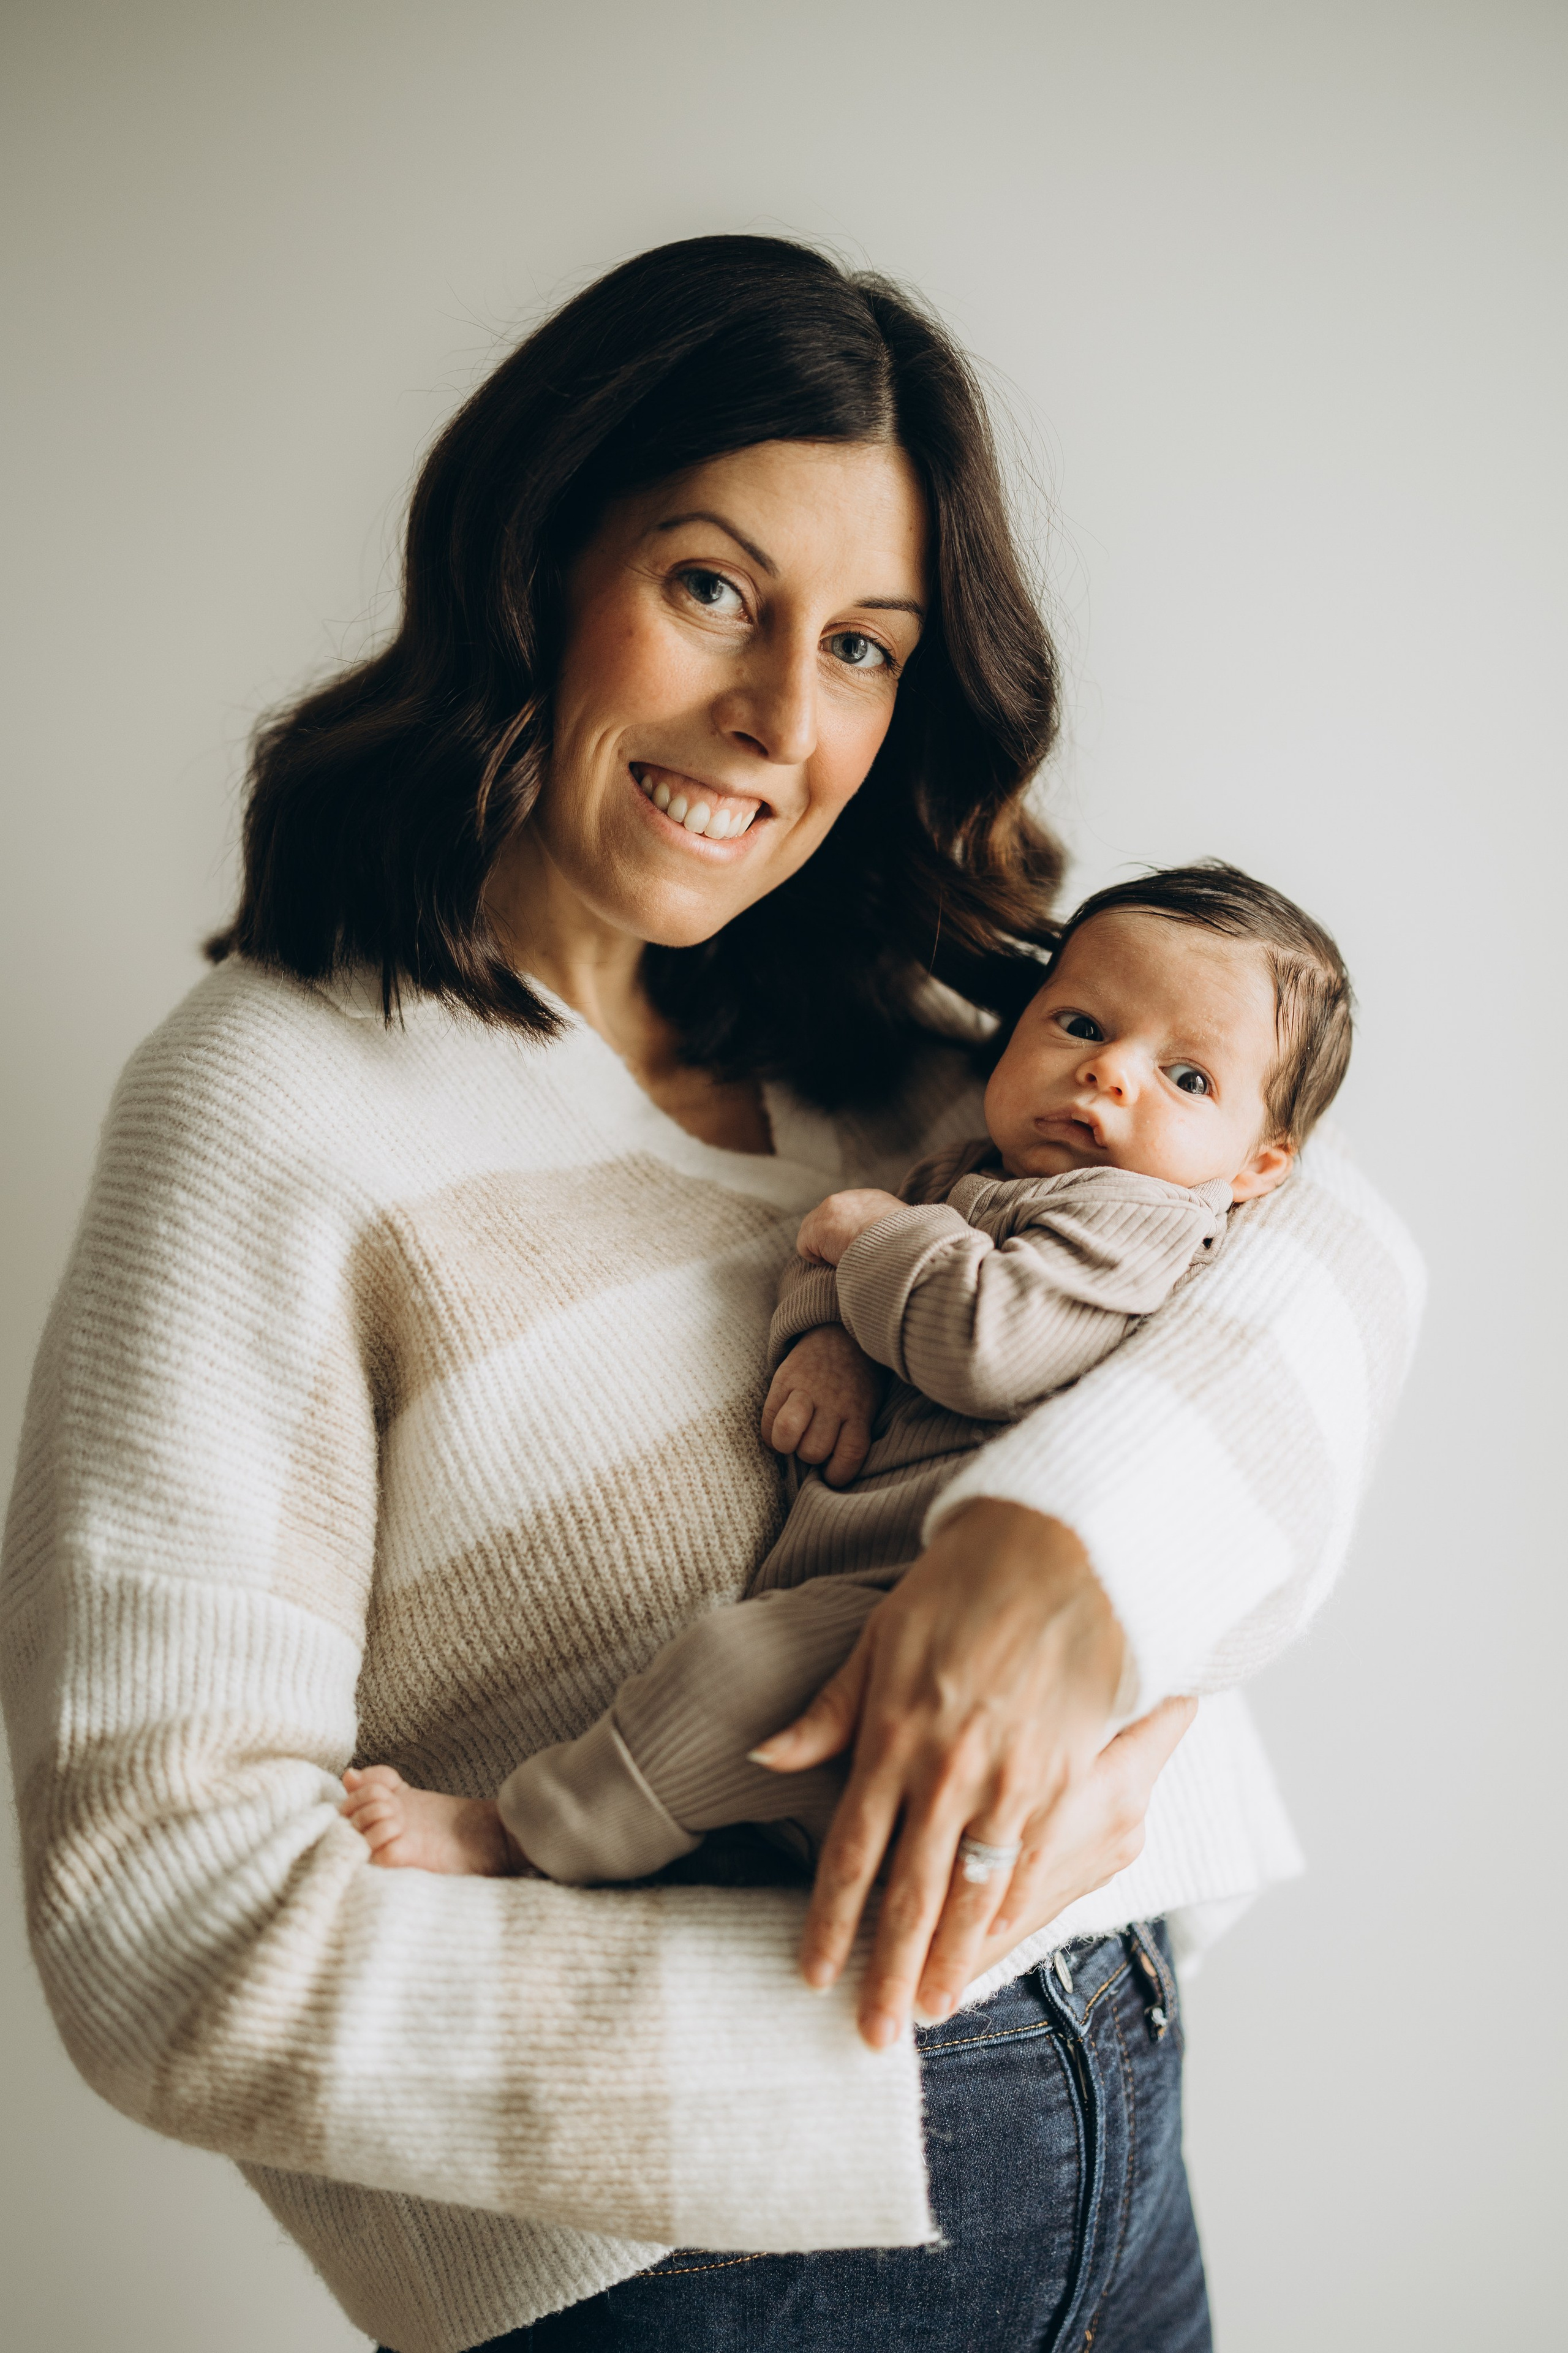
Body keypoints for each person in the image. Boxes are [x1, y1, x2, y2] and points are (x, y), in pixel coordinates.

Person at [0, 236, 1422, 2353]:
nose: (781, 717)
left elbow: (1336, 1248)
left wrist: (1066, 1556)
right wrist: (825, 2040)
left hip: (1127, 2138)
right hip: (708, 2267)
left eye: (862, 646)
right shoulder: (272, 1112)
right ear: (537, 562)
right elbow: (163, 1923)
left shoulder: (920, 1042)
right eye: (712, 591)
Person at [342, 861, 1354, 1905]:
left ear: (1259, 1168)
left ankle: (515, 1831)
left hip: (926, 1628)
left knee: (733, 1679)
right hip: (855, 1591)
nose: (1111, 1075)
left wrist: (866, 1235)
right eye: (1083, 1025)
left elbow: (988, 1340)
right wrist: (824, 1342)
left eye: (1188, 1079)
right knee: (732, 1719)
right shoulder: (960, 1175)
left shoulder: (1140, 1219)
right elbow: (830, 1264)